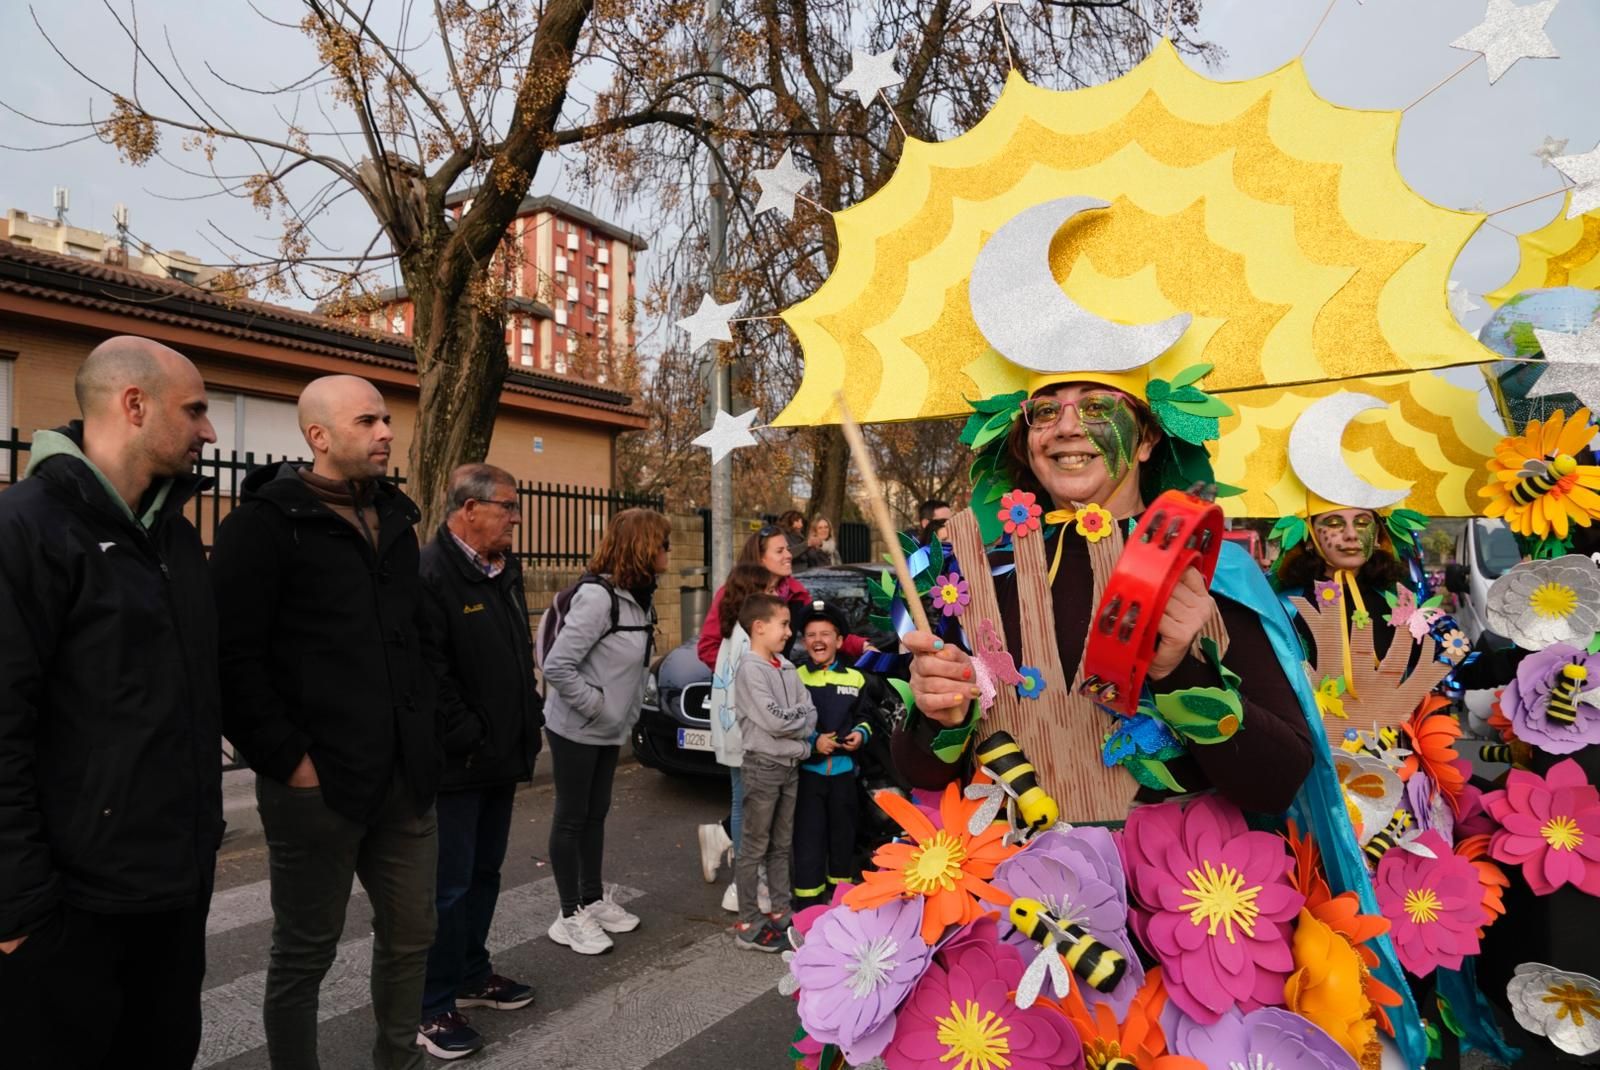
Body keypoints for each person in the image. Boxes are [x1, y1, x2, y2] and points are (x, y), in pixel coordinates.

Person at [0, 336, 223, 1069]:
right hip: (71, 911)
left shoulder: (178, 540)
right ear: (134, 405)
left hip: (172, 892)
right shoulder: (25, 530)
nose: (210, 431)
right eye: (194, 410)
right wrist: (20, 906)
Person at [212, 374, 439, 1070]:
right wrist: (288, 760)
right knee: (304, 952)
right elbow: (231, 658)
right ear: (319, 436)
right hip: (316, 786)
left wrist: (429, 734)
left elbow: (417, 635)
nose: (386, 433)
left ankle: (398, 1061)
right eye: (367, 421)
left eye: (386, 420)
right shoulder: (262, 525)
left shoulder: (398, 518)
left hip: (405, 778)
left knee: (412, 935)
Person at [415, 464, 543, 1060]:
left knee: (485, 875)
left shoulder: (504, 570)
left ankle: (471, 973)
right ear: (469, 510)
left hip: (499, 755)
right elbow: (429, 673)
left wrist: (529, 714)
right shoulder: (432, 572)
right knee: (449, 885)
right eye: (507, 507)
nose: (516, 517)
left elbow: (516, 655)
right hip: (458, 762)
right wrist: (467, 733)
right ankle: (431, 1005)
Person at [541, 508, 667, 955]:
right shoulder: (599, 599)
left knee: (595, 813)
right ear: (642, 546)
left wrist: (622, 716)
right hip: (576, 727)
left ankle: (592, 899)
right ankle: (568, 913)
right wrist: (596, 705)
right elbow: (556, 664)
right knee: (572, 816)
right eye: (662, 544)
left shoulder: (640, 596)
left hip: (608, 727)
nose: (667, 552)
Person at [731, 593, 816, 952]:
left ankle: (781, 910)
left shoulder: (787, 667)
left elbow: (809, 711)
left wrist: (795, 725)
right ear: (759, 627)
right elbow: (773, 720)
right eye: (783, 624)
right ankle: (749, 921)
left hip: (789, 765)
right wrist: (798, 726)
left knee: (782, 845)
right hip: (764, 767)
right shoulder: (751, 669)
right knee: (754, 846)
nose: (789, 631)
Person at [792, 601, 884, 910]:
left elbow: (867, 716)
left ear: (840, 641)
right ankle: (806, 903)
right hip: (808, 775)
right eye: (811, 634)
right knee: (808, 839)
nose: (818, 640)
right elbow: (789, 722)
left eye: (826, 634)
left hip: (844, 775)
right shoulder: (794, 678)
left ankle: (840, 899)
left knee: (843, 836)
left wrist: (861, 734)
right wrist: (815, 740)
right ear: (804, 641)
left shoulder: (856, 678)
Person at [697, 563, 777, 915]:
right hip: (749, 735)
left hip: (734, 733)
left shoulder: (733, 635)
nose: (778, 595)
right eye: (771, 590)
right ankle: (743, 886)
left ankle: (743, 880)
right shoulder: (750, 641)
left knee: (742, 804)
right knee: (751, 810)